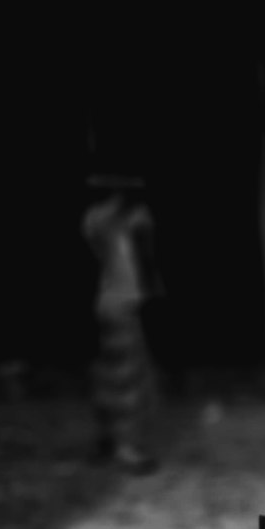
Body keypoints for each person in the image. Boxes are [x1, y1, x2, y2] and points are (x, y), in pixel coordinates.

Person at [81, 174, 160, 470]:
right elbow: (145, 256)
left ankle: (107, 439)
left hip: (108, 300)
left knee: (107, 374)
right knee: (127, 376)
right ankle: (125, 446)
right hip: (121, 301)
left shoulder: (97, 217)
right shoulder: (122, 218)